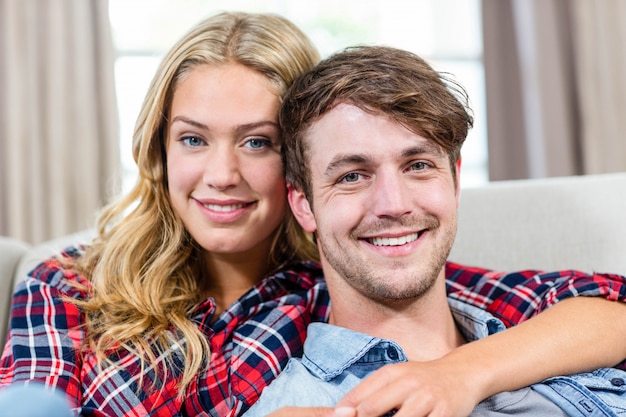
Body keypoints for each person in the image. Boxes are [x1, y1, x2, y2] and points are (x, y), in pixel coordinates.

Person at [0, 10, 624, 417]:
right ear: (159, 148)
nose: (222, 174)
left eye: (257, 142)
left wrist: (463, 371)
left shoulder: (346, 269)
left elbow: (599, 306)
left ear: (301, 177)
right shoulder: (72, 283)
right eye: (193, 139)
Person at [244, 45, 626, 417]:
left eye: (418, 166)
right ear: (303, 206)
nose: (393, 204)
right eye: (352, 176)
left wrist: (463, 372)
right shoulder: (293, 404)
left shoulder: (555, 340)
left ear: (455, 180)